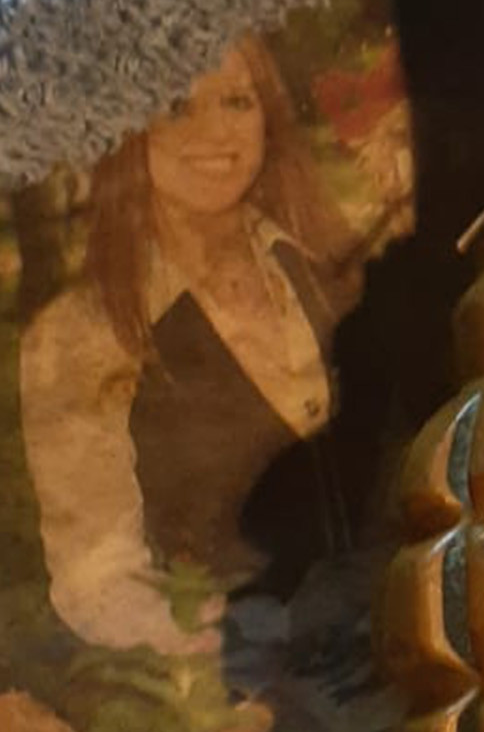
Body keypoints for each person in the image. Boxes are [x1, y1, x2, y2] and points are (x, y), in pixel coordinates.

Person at [20, 36, 360, 658]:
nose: (216, 131)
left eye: (237, 101)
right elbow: (99, 580)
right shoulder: (80, 335)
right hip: (245, 686)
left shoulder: (328, 271)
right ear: (126, 129)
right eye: (177, 104)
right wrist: (221, 643)